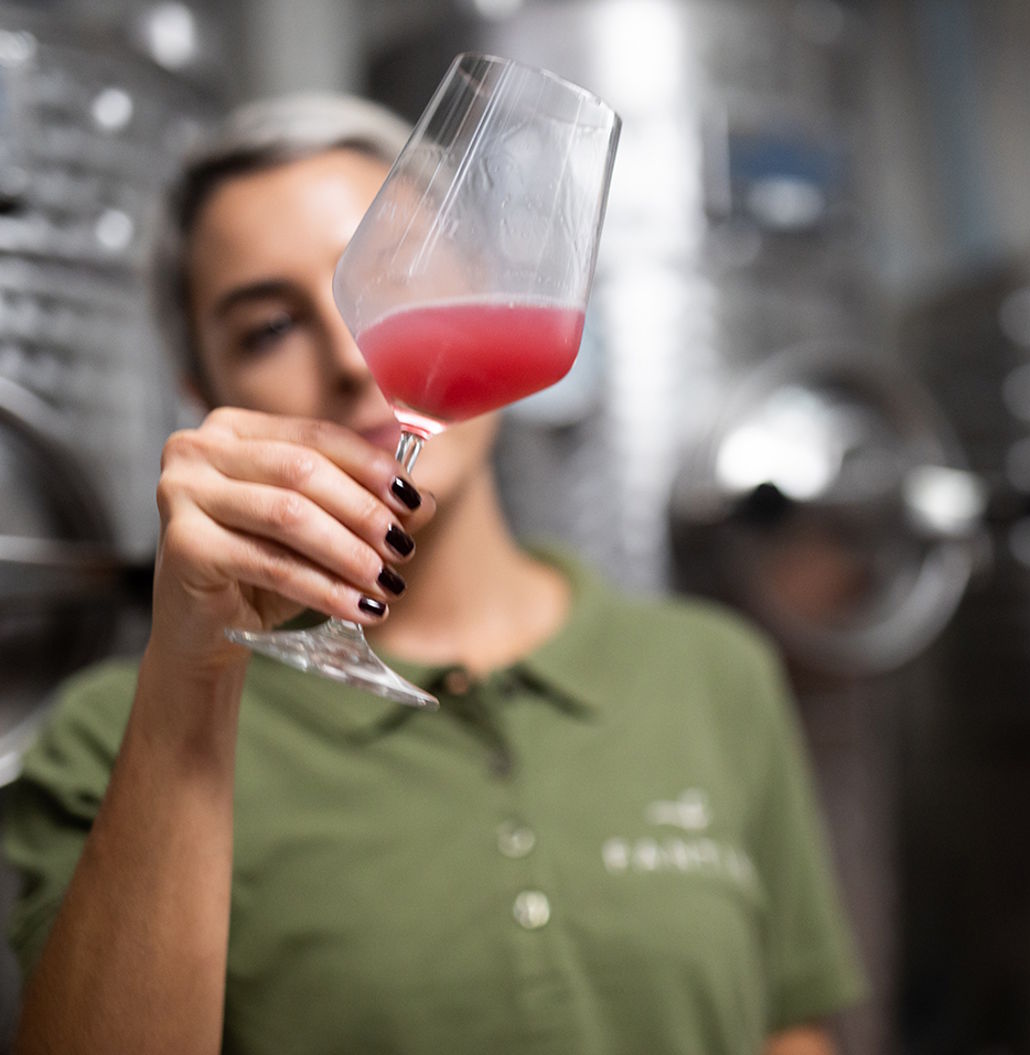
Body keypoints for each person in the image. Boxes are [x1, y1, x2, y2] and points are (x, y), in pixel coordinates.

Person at [3, 92, 865, 1054]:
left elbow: (791, 1029)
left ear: (493, 287)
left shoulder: (714, 673)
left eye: (389, 277)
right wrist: (193, 683)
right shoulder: (112, 734)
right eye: (269, 329)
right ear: (206, 393)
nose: (353, 351)